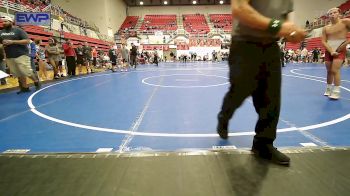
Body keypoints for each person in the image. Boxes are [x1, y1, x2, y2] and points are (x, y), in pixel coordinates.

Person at [216, 0, 306, 165]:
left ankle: (263, 144)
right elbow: (240, 9)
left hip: (271, 46)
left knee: (271, 98)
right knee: (238, 92)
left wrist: (293, 34)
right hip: (244, 44)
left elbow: (284, 21)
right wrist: (277, 26)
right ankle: (224, 116)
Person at [0, 15, 40, 93]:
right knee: (18, 73)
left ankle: (36, 81)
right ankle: (24, 88)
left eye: (5, 21)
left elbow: (27, 41)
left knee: (26, 71)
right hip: (9, 56)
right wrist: (3, 45)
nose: (3, 23)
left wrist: (13, 42)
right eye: (3, 22)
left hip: (21, 54)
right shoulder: (1, 33)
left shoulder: (18, 30)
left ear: (11, 22)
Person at [321, 7, 350, 100]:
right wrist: (331, 51)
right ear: (328, 16)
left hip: (340, 48)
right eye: (330, 13)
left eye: (334, 12)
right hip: (329, 49)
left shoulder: (345, 22)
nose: (332, 14)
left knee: (334, 70)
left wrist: (346, 42)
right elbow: (324, 41)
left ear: (339, 13)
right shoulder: (326, 28)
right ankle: (328, 88)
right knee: (329, 71)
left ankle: (336, 91)